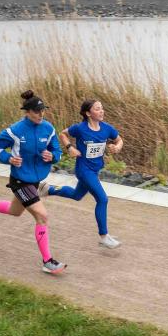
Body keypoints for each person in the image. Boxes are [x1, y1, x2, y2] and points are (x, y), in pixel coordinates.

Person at [0, 90, 66, 274]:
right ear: (27, 112)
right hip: (20, 180)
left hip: (35, 180)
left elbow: (58, 151)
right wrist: (8, 158)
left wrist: (52, 156)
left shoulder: (48, 128)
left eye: (42, 111)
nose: (41, 114)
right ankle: (47, 261)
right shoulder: (15, 130)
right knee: (42, 216)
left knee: (15, 211)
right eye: (36, 111)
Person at [43, 99, 124, 249]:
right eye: (97, 109)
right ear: (88, 113)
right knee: (102, 199)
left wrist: (117, 147)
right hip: (84, 170)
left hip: (95, 169)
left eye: (102, 108)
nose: (101, 111)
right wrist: (70, 148)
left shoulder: (107, 128)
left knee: (77, 195)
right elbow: (63, 134)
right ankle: (104, 236)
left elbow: (119, 140)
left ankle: (49, 189)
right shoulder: (80, 128)